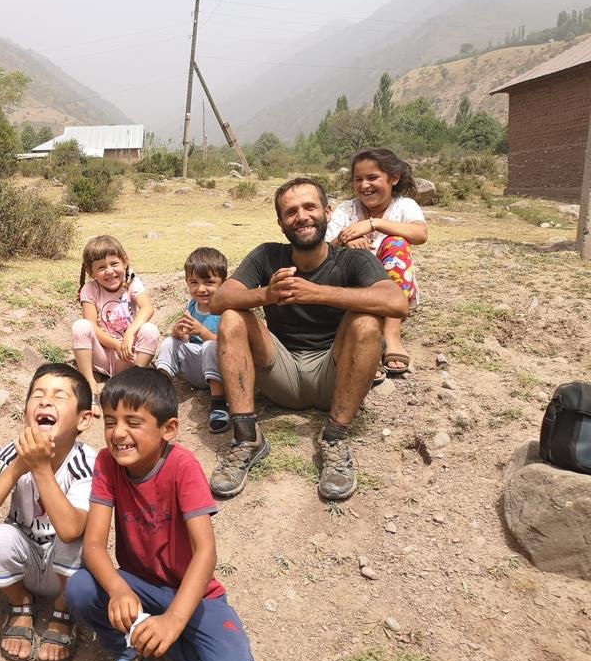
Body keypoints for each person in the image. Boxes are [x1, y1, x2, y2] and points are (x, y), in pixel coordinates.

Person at [209, 177, 409, 502]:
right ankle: (247, 438)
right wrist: (267, 294)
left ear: (327, 212)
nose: (301, 216)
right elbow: (219, 300)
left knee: (367, 321)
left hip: (334, 376)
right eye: (291, 212)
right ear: (280, 223)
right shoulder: (267, 256)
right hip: (281, 374)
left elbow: (397, 303)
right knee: (232, 316)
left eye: (309, 207)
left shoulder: (352, 259)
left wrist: (317, 293)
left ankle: (334, 438)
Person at [66, 368, 254, 661]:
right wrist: (119, 590)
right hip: (140, 586)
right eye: (111, 421)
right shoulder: (106, 462)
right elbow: (94, 545)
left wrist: (173, 620)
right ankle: (132, 646)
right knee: (81, 589)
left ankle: (167, 643)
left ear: (168, 429)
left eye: (133, 422)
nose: (118, 433)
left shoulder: (183, 465)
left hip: (193, 591)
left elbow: (205, 551)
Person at [0, 363, 97, 661]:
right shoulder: (12, 453)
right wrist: (18, 468)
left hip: (64, 570)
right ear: (26, 412)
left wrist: (40, 469)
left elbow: (70, 529)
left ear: (84, 419)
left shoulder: (87, 462)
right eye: (37, 395)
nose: (45, 401)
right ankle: (19, 604)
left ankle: (63, 614)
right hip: (23, 565)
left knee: (78, 538)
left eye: (59, 396)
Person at [325, 148, 428, 379]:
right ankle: (365, 344)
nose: (364, 185)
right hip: (355, 292)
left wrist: (374, 224)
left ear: (394, 178)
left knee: (397, 243)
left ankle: (391, 335)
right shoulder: (346, 210)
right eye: (358, 179)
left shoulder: (404, 206)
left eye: (372, 178)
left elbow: (420, 234)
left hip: (392, 291)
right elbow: (324, 250)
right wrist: (344, 240)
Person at [71, 235, 160, 399]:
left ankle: (135, 380)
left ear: (125, 262)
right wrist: (116, 345)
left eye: (114, 264)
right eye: (101, 267)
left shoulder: (132, 282)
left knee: (150, 330)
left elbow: (147, 308)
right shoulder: (90, 289)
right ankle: (90, 384)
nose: (110, 271)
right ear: (91, 272)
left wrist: (130, 334)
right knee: (81, 326)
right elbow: (91, 326)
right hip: (102, 357)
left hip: (127, 357)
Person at [156, 247, 230, 434]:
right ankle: (160, 390)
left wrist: (203, 332)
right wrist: (178, 332)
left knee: (211, 345)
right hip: (197, 369)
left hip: (220, 370)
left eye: (209, 282)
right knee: (169, 343)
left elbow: (228, 346)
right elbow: (186, 338)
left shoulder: (226, 309)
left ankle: (219, 403)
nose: (201, 288)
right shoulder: (192, 305)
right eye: (194, 282)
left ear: (223, 283)